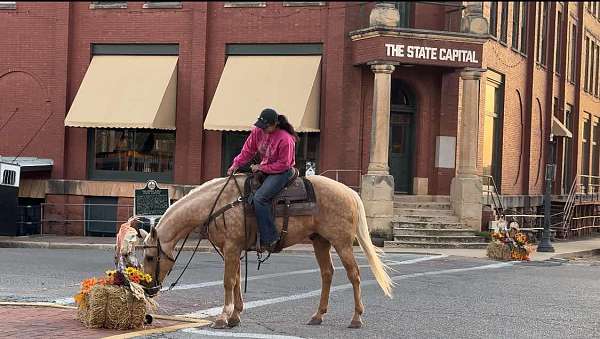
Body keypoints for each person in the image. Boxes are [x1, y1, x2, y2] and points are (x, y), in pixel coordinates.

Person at [227, 108, 298, 252]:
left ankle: (270, 238)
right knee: (246, 194)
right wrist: (236, 165)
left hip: (282, 172)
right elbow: (247, 150)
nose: (263, 130)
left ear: (275, 124)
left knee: (260, 198)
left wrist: (261, 168)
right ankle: (251, 234)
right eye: (261, 126)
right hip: (265, 168)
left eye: (266, 127)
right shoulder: (258, 131)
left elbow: (283, 164)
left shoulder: (286, 139)